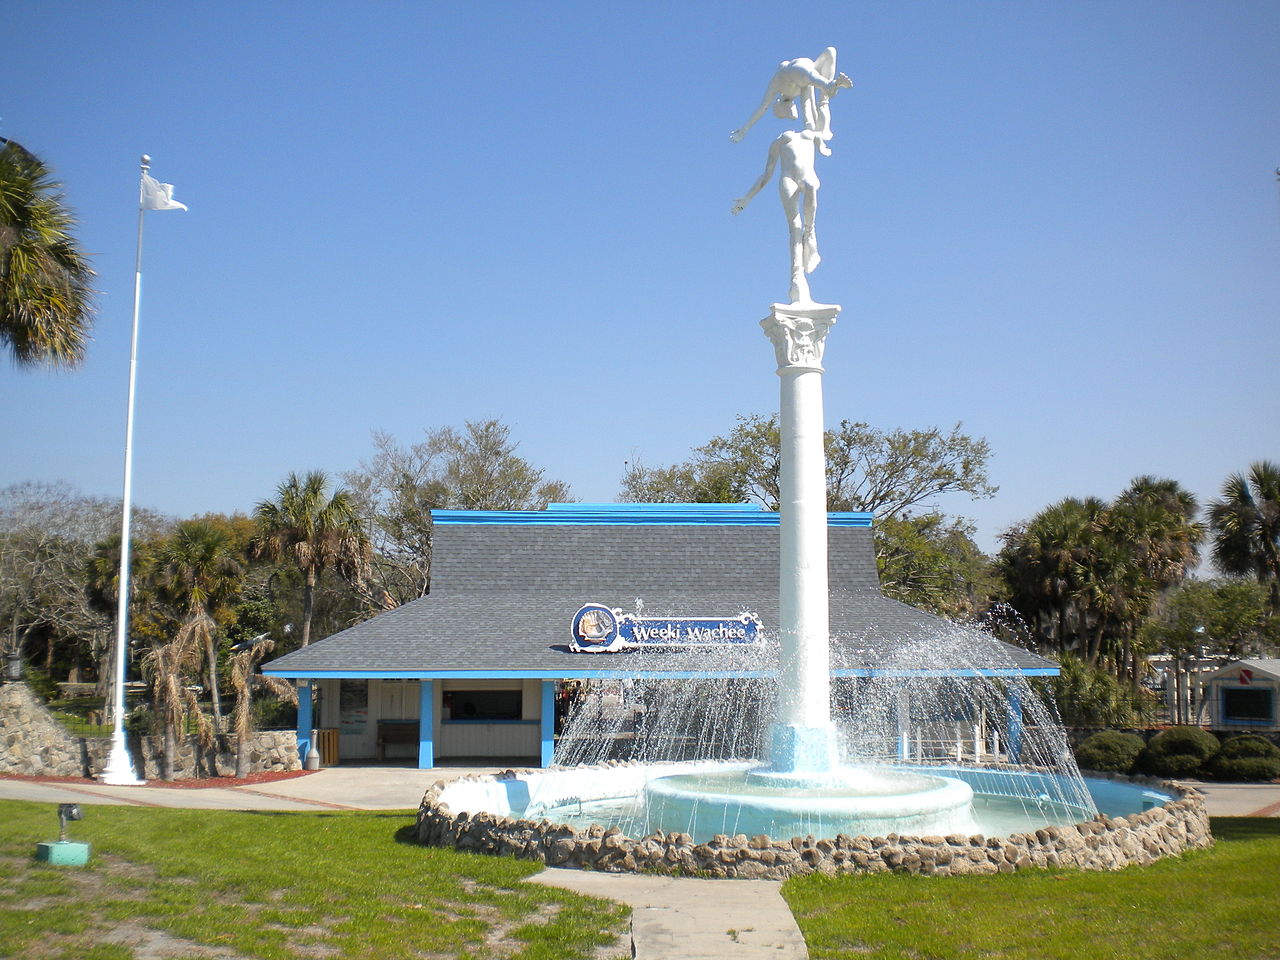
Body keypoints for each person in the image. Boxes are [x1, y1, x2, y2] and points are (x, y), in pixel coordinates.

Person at [732, 130, 822, 304]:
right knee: (795, 227)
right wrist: (748, 197)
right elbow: (767, 174)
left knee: (810, 186)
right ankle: (797, 274)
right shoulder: (778, 141)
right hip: (788, 179)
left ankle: (810, 232)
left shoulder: (810, 130)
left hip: (808, 177)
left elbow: (819, 113)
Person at [730, 47, 852, 156]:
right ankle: (827, 90)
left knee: (816, 68)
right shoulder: (801, 90)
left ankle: (828, 87)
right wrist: (819, 142)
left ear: (781, 105)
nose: (792, 115)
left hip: (795, 70)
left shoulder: (777, 84)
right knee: (829, 52)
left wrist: (744, 130)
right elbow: (809, 116)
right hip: (806, 72)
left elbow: (763, 107)